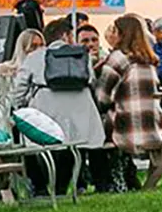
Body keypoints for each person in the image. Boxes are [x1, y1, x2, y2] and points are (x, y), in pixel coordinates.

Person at [11, 29, 104, 195]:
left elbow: (19, 88)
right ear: (65, 38)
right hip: (80, 105)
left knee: (35, 147)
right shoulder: (82, 55)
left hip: (45, 104)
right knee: (72, 145)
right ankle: (61, 188)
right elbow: (91, 80)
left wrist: (20, 107)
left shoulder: (34, 57)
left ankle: (40, 188)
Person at [91, 14, 162, 191]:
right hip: (153, 129)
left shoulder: (117, 59)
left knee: (90, 131)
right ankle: (129, 178)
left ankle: (106, 182)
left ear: (122, 34)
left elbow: (101, 100)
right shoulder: (150, 61)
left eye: (114, 30)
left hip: (126, 131)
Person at [0, 29, 44, 135]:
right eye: (33, 46)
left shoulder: (45, 73)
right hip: (9, 123)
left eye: (41, 46)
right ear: (23, 48)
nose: (38, 50)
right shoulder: (4, 70)